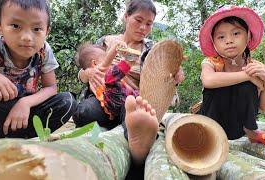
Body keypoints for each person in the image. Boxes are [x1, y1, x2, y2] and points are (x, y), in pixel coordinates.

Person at [73, 0, 185, 169]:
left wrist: (175, 76)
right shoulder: (106, 41)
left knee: (132, 111)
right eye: (138, 20)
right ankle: (128, 129)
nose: (143, 28)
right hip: (102, 98)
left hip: (130, 99)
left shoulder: (153, 50)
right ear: (126, 16)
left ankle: (138, 142)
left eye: (149, 24)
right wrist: (87, 73)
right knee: (85, 112)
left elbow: (165, 80)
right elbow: (84, 65)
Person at [0, 0, 74, 149]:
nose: (27, 37)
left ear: (47, 31)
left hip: (21, 117)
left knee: (67, 102)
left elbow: (51, 87)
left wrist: (26, 103)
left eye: (37, 29)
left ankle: (24, 142)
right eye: (16, 26)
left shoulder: (43, 51)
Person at [198, 5, 265, 145]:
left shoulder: (254, 65)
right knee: (218, 85)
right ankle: (209, 136)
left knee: (247, 84)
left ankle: (252, 131)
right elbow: (208, 80)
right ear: (214, 44)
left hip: (239, 128)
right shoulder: (211, 62)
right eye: (221, 37)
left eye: (236, 34)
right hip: (210, 123)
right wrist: (247, 76)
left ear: (248, 36)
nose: (229, 40)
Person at [77, 41, 140, 121]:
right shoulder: (102, 72)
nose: (112, 62)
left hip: (113, 105)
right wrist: (116, 48)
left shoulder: (104, 74)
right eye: (104, 57)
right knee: (128, 112)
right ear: (94, 63)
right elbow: (110, 63)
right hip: (120, 102)